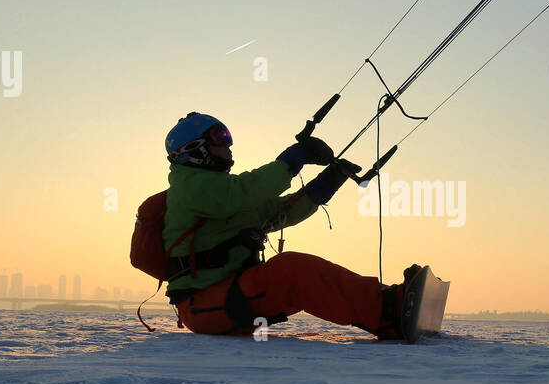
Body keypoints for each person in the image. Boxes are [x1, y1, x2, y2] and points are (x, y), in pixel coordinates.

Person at [160, 111, 419, 338]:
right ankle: (388, 312)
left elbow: (277, 211)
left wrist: (322, 187)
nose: (230, 145)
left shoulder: (220, 194)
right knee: (292, 271)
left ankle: (389, 301)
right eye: (221, 137)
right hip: (205, 304)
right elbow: (242, 192)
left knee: (295, 275)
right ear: (194, 149)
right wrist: (290, 162)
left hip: (231, 297)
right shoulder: (189, 185)